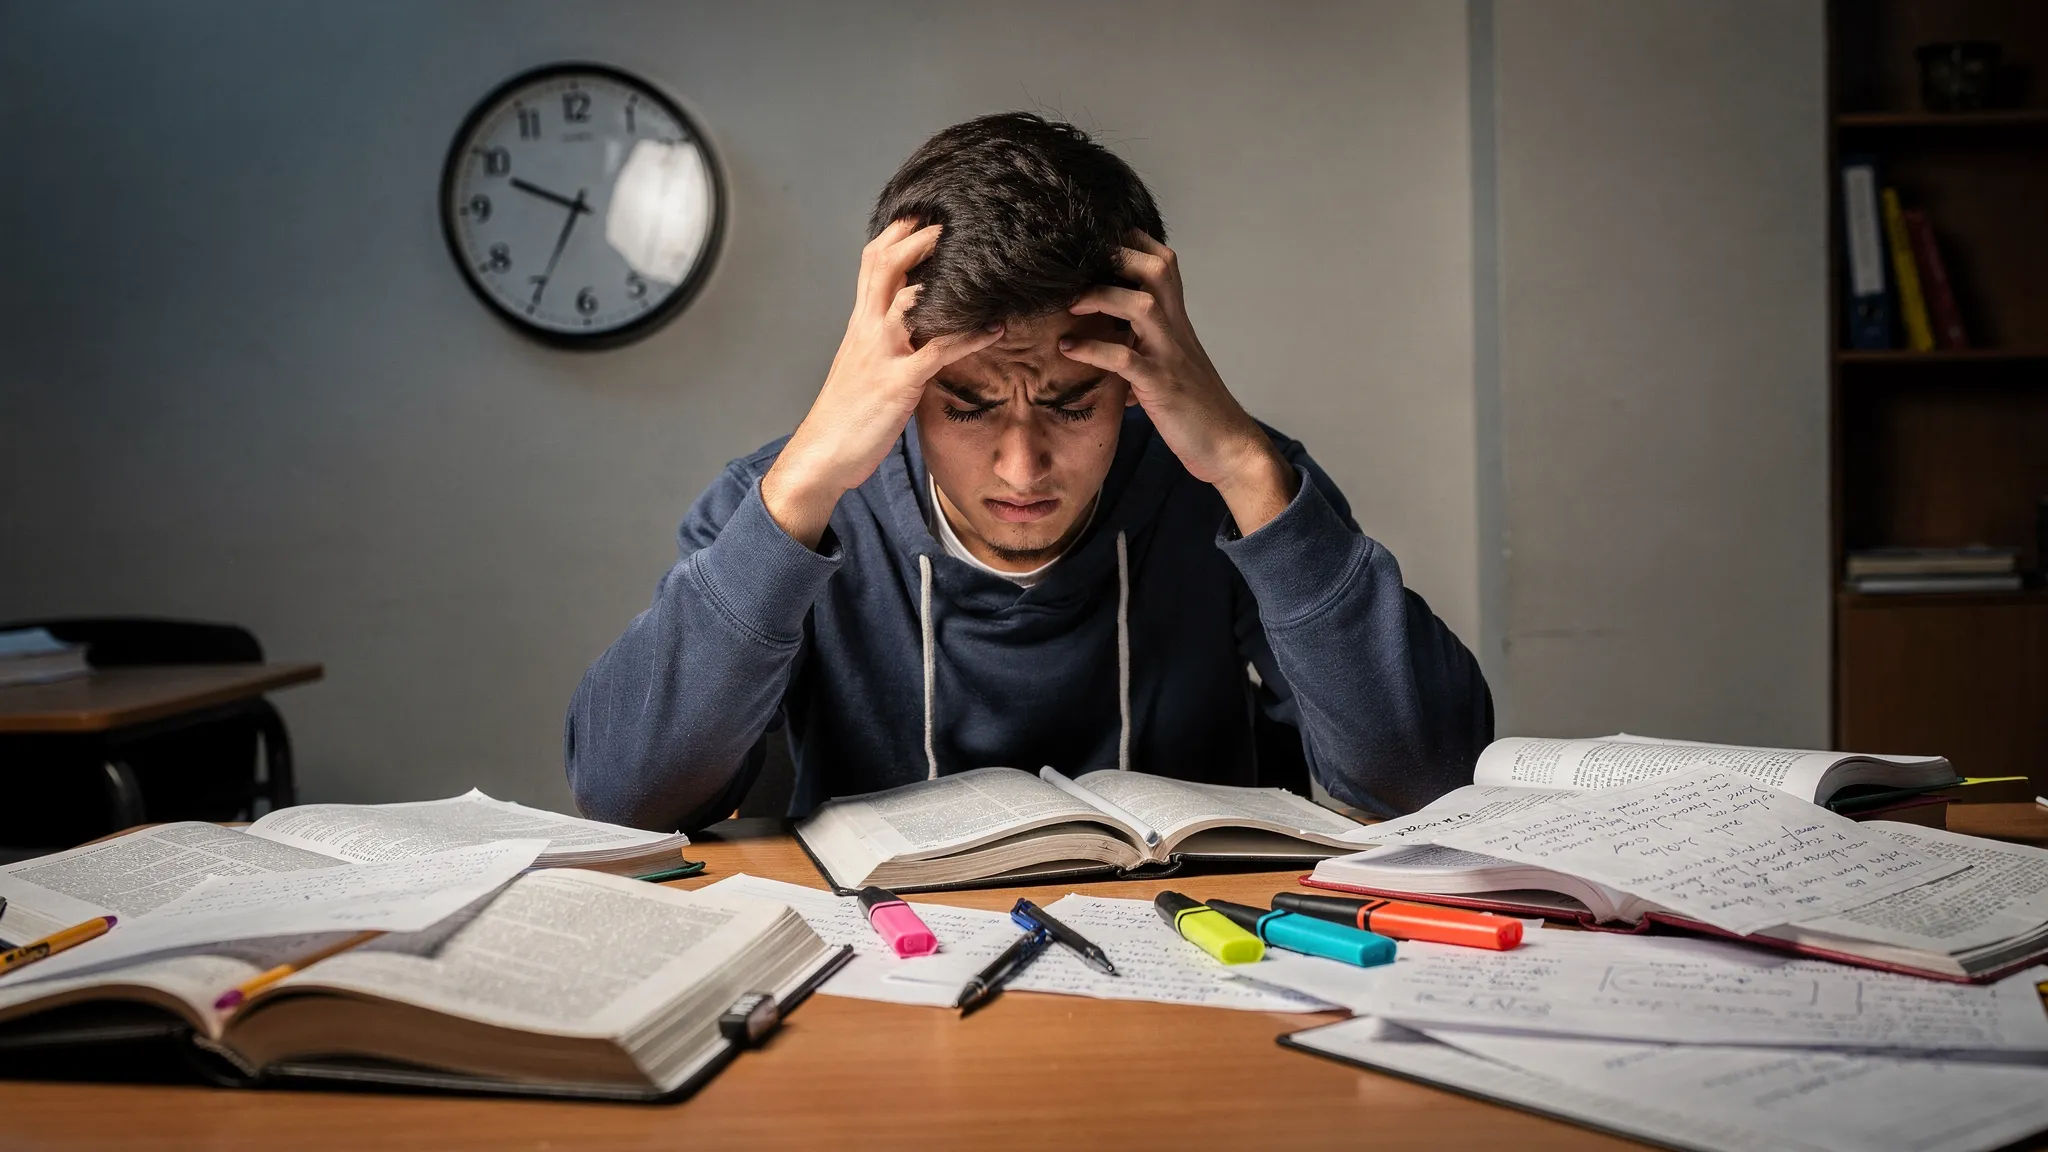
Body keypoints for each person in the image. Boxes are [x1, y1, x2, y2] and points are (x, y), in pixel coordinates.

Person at [566, 112, 1492, 832]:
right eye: (967, 405)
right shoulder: (780, 502)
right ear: (897, 381)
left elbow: (1432, 784)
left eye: (1070, 403)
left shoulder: (1236, 489)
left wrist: (1248, 463)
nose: (1022, 465)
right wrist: (803, 484)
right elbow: (626, 797)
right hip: (886, 984)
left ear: (1137, 376)